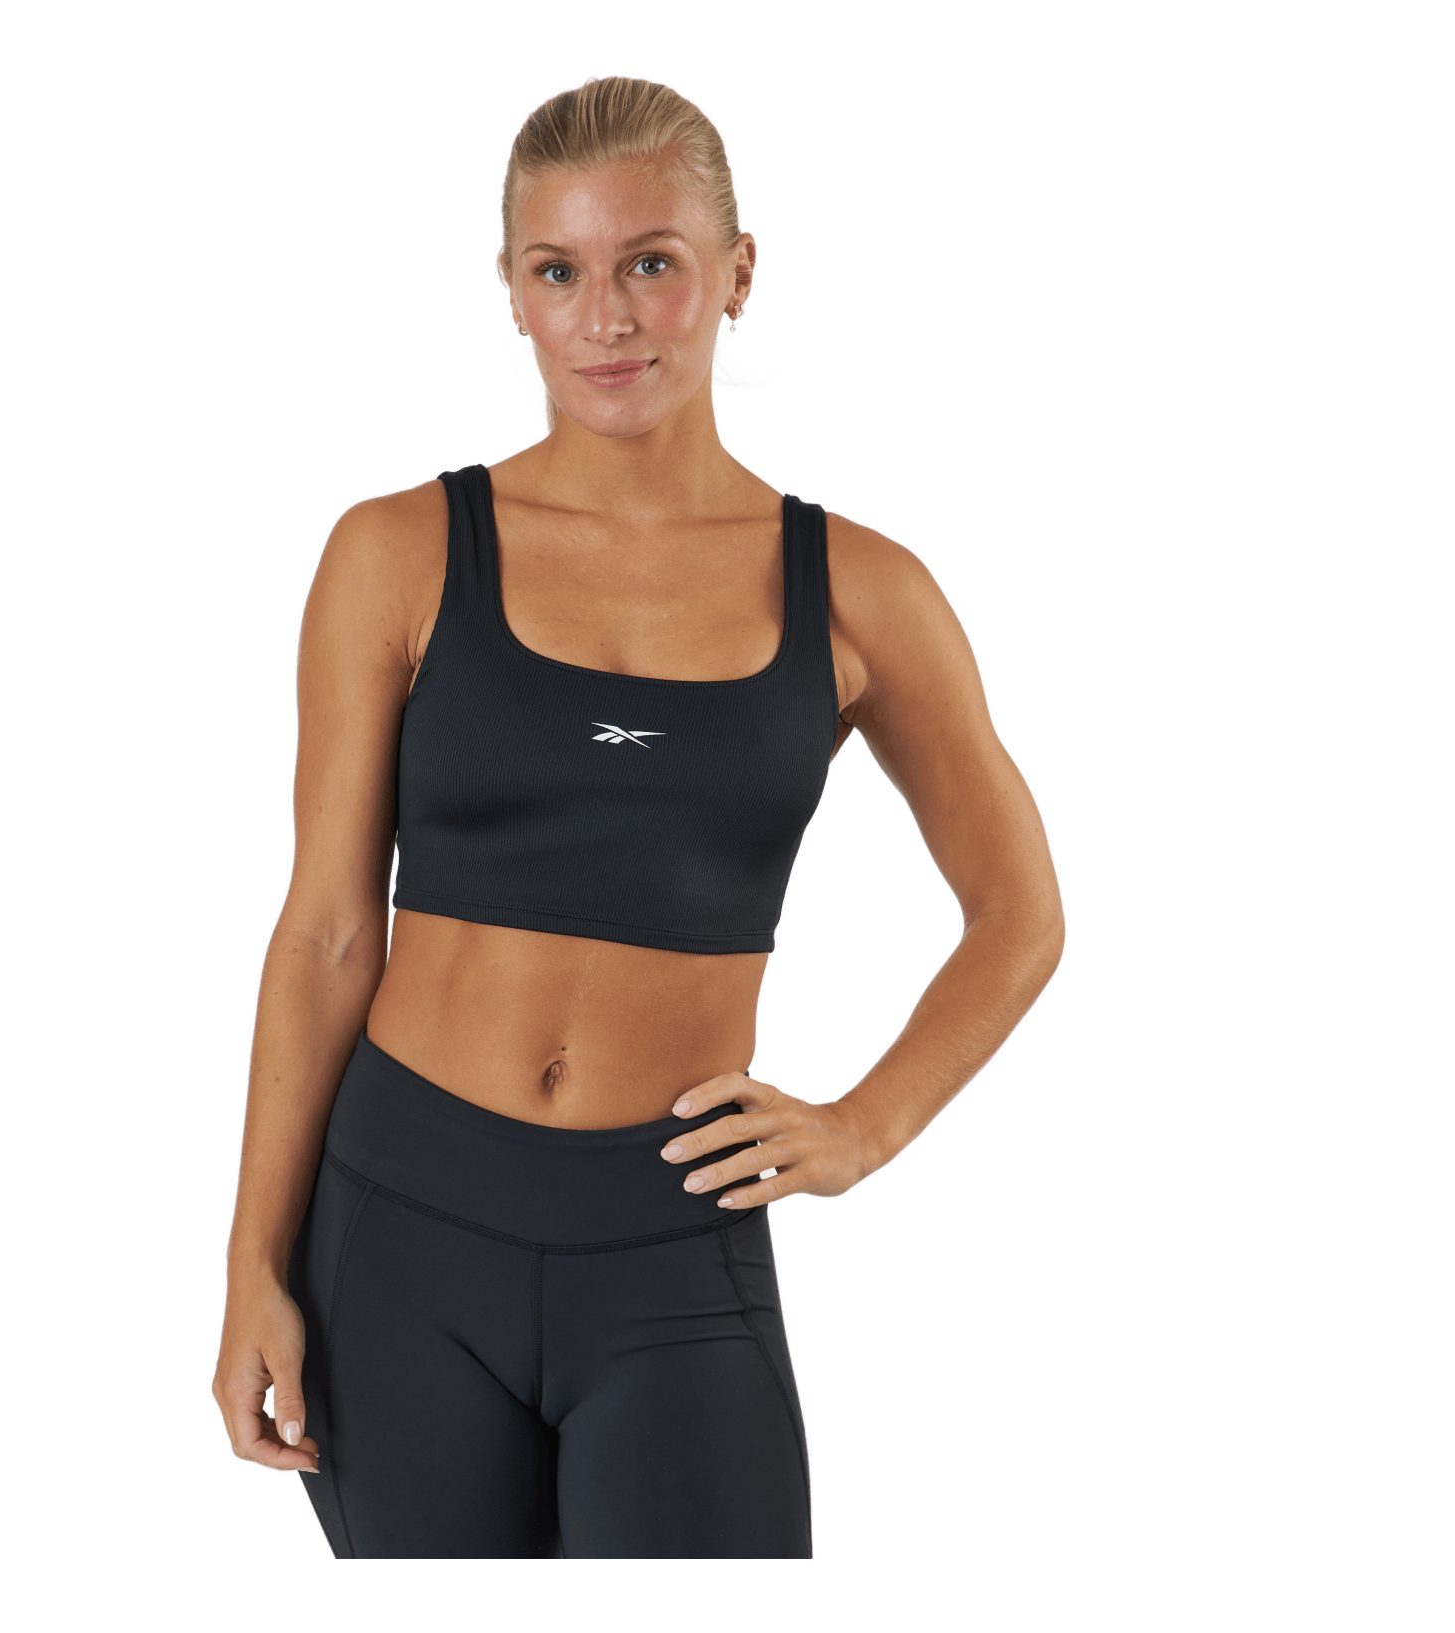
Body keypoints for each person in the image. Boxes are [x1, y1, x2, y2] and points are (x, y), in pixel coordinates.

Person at [211, 73, 1066, 1560]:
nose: (607, 318)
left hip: (672, 1242)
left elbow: (1022, 911)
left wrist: (864, 1127)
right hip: (401, 1230)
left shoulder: (861, 590)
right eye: (560, 271)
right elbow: (331, 931)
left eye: (651, 263)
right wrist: (251, 1267)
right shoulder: (397, 552)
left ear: (737, 273)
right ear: (511, 288)